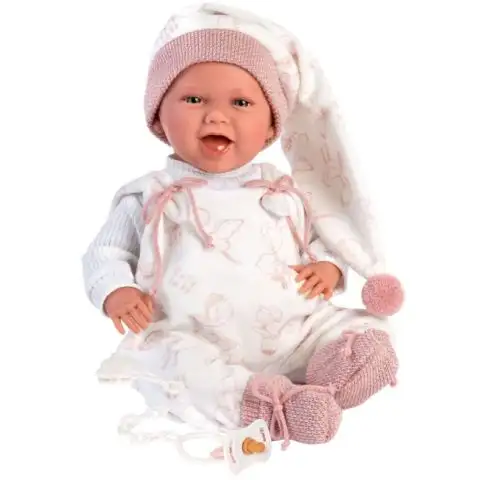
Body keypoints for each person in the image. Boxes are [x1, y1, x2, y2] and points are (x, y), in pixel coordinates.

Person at [82, 2, 404, 451]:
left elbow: (321, 237)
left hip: (294, 331)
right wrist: (115, 290)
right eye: (194, 99)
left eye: (241, 103)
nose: (216, 116)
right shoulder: (150, 195)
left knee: (366, 332)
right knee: (174, 362)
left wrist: (329, 267)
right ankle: (270, 407)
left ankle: (330, 377)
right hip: (194, 337)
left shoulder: (283, 190)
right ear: (158, 115)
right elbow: (106, 254)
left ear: (271, 126)